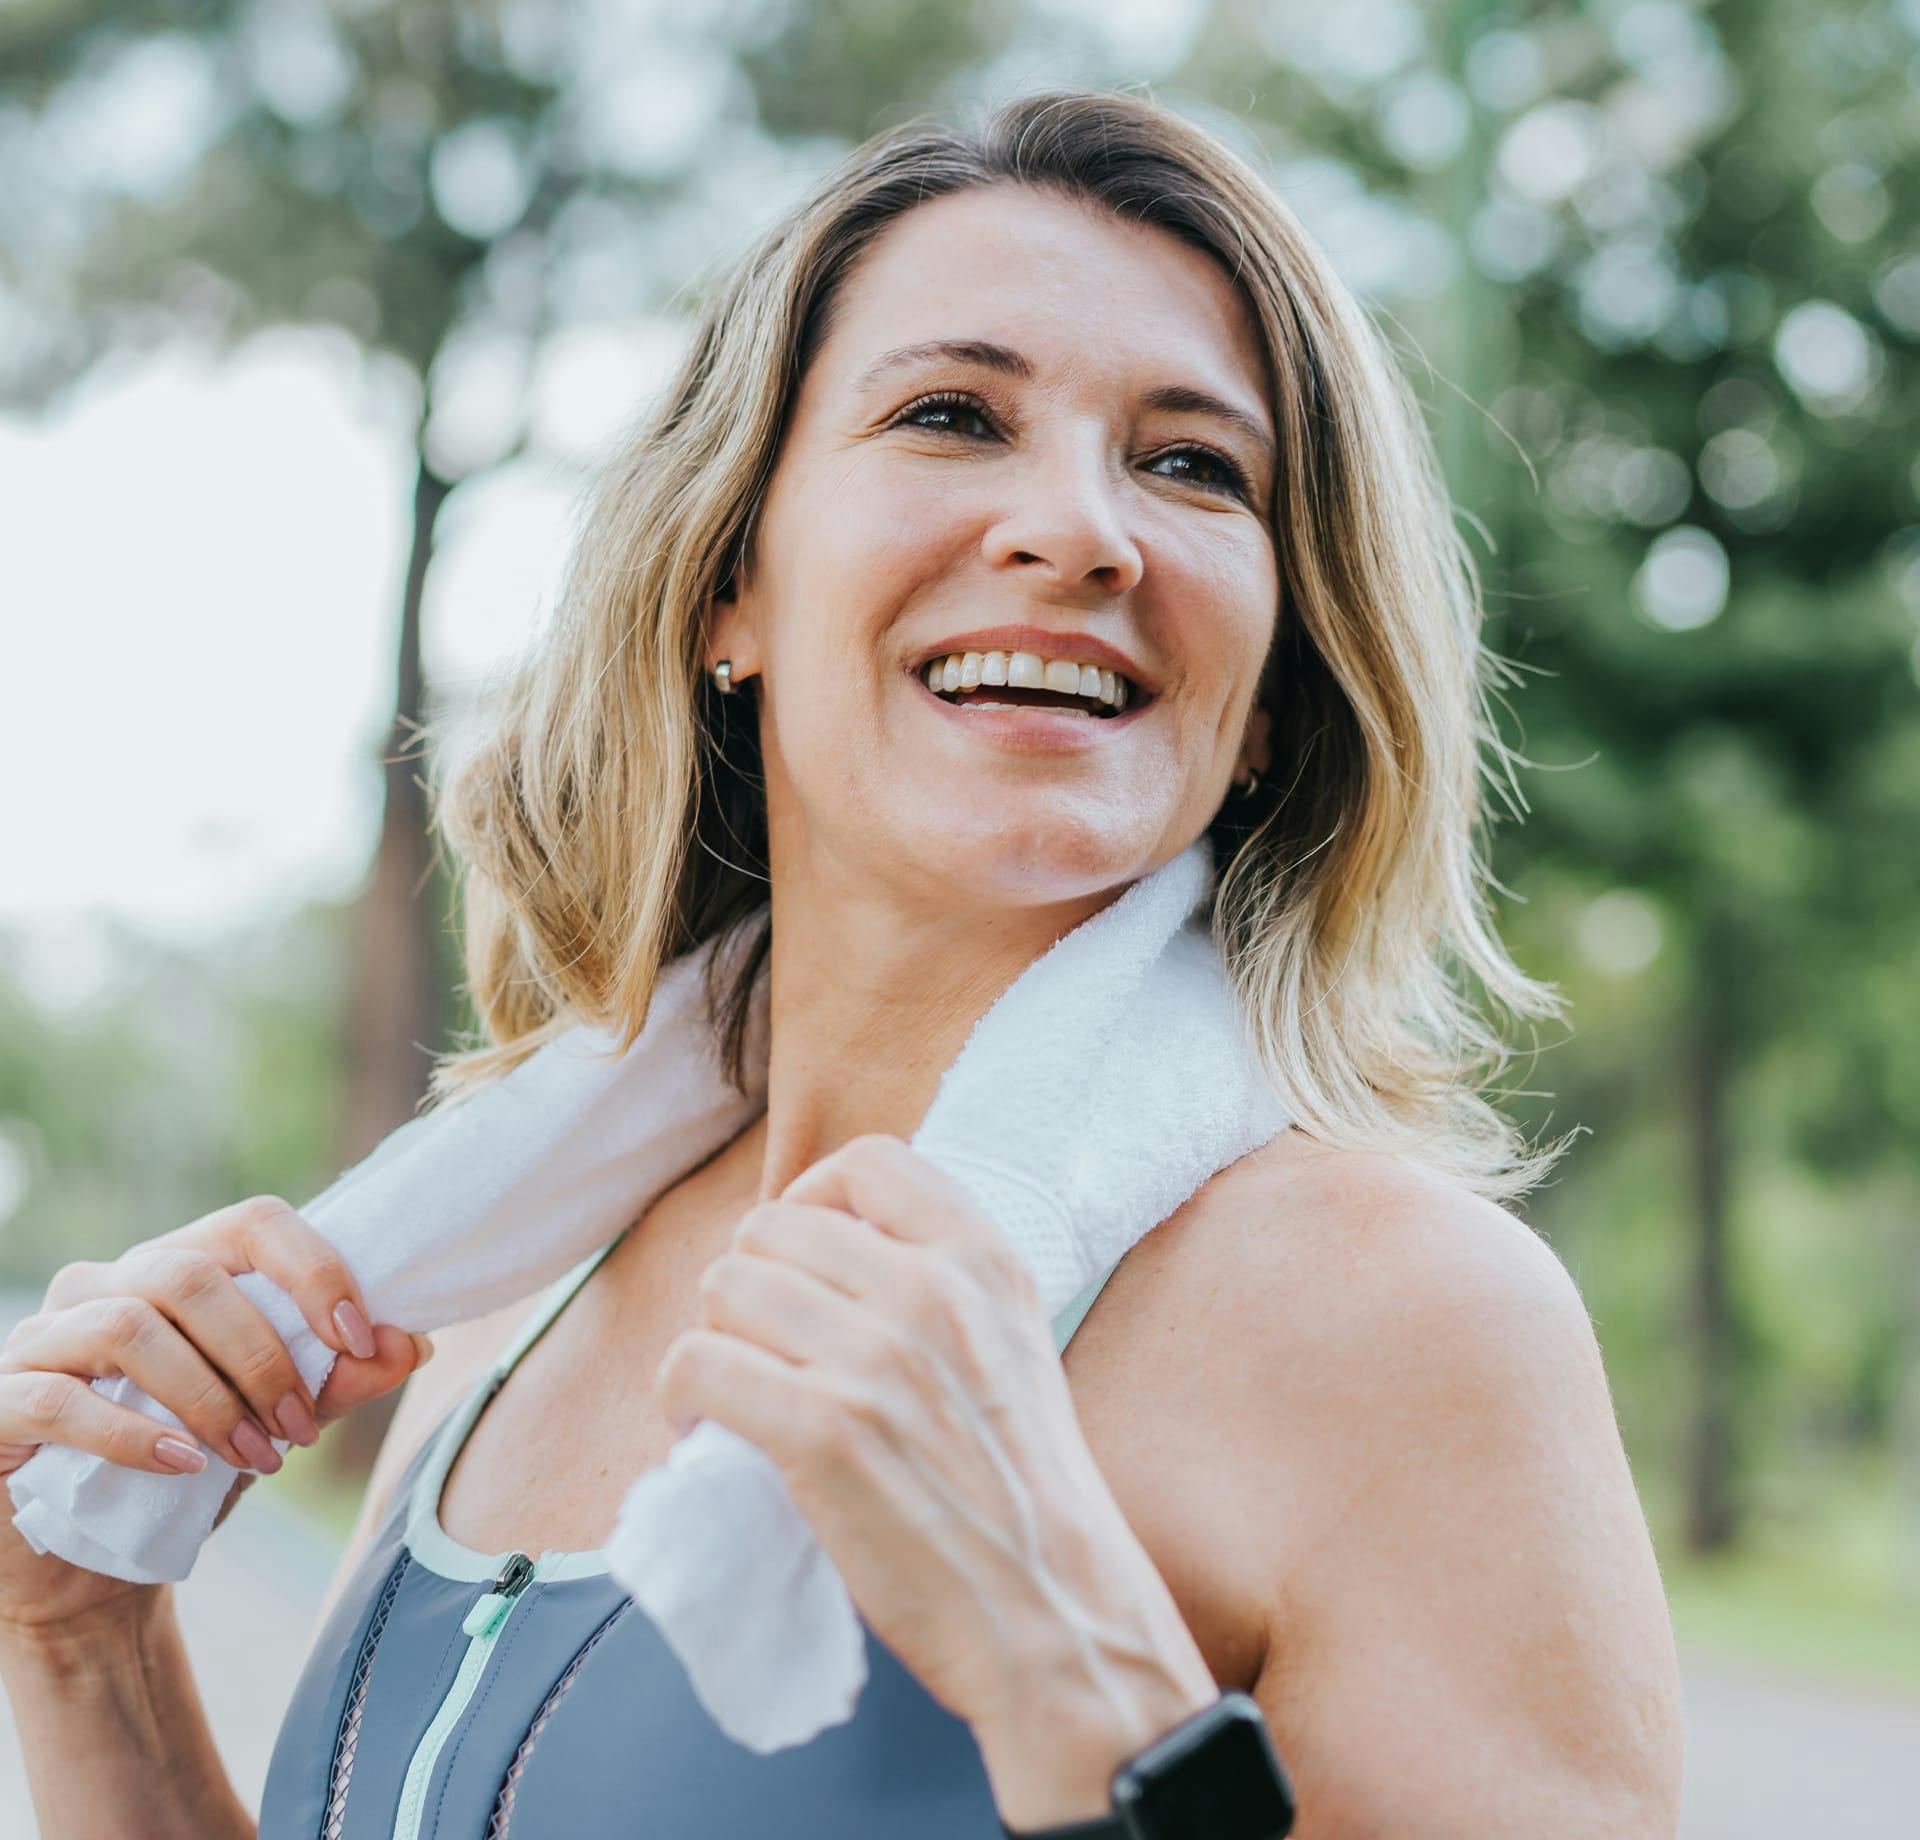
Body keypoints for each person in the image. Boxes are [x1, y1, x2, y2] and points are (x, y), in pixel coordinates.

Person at [0, 89, 1684, 1837]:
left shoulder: (1408, 1322)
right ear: (732, 582)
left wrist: (1073, 1669)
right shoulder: (507, 1281)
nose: (1083, 530)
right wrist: (77, 1640)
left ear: (1268, 691)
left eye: (1193, 463)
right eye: (954, 416)